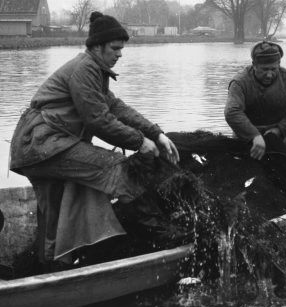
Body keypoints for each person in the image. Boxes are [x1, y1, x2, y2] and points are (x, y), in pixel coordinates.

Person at [9, 11, 179, 265]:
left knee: (54, 209)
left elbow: (116, 107)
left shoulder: (92, 70)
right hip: (44, 144)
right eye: (115, 48)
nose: (120, 54)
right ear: (97, 47)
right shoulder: (85, 69)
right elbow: (98, 120)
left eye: (121, 49)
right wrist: (140, 142)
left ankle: (53, 269)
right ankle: (162, 235)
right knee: (119, 170)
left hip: (36, 147)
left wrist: (156, 133)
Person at [225, 41, 286, 160]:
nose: (269, 75)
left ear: (279, 64)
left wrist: (279, 130)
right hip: (247, 140)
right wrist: (254, 135)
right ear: (254, 65)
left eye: (273, 69)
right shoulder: (239, 82)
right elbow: (232, 112)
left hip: (280, 138)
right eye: (264, 69)